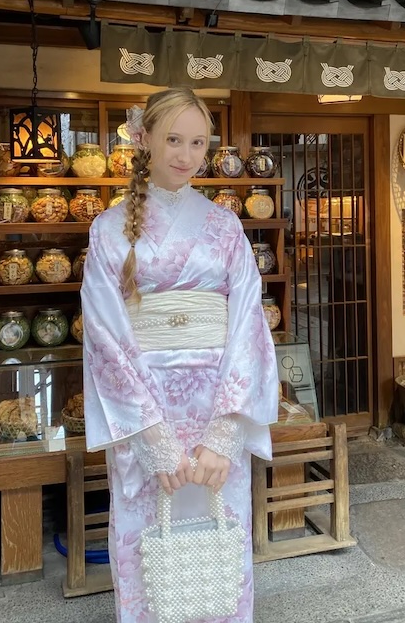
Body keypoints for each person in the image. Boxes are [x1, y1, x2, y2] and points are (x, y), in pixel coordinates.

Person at [81, 88, 278, 623]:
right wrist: (154, 440)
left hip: (217, 408)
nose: (186, 155)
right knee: (149, 554)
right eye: (173, 139)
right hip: (146, 415)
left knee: (219, 547)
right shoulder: (107, 229)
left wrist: (226, 431)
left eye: (197, 142)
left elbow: (249, 326)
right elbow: (104, 338)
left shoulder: (226, 226)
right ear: (143, 138)